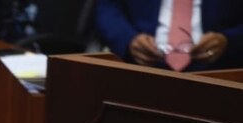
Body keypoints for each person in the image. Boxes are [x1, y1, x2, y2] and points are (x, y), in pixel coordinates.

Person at [96, 0, 243, 70]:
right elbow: (107, 7)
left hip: (220, 71)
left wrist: (228, 40)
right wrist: (128, 40)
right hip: (139, 66)